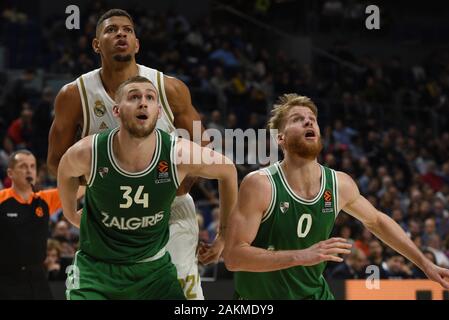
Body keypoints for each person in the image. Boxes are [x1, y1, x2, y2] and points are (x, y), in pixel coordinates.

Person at [47, 9, 216, 299]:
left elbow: (204, 148)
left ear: (137, 43)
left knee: (182, 292)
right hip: (108, 214)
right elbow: (55, 163)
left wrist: (181, 185)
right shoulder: (73, 94)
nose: (121, 34)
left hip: (169, 208)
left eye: (127, 30)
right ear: (96, 44)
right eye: (112, 30)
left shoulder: (169, 88)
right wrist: (99, 187)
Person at [223, 93, 449, 299]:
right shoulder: (260, 184)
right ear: (280, 138)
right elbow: (234, 257)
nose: (308, 121)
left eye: (312, 118)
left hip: (315, 295)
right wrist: (301, 256)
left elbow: (377, 221)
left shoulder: (340, 184)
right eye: (297, 119)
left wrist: (424, 264)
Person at [57, 76, 237, 300]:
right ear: (116, 110)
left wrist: (224, 236)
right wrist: (70, 213)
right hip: (97, 271)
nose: (143, 102)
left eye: (150, 97)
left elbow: (228, 171)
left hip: (154, 272)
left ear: (159, 112)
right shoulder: (89, 152)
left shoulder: (176, 154)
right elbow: (64, 170)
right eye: (134, 97)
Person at [0, 150, 62, 299]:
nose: (29, 170)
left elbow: (77, 190)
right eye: (23, 166)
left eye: (32, 166)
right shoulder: (2, 199)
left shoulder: (44, 200)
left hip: (37, 277)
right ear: (10, 173)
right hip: (6, 279)